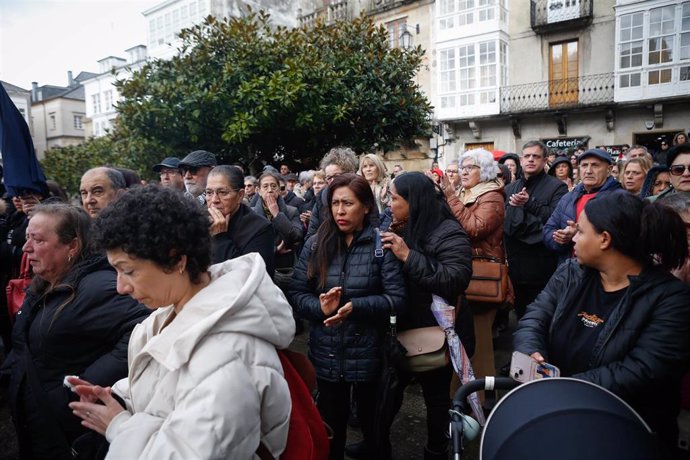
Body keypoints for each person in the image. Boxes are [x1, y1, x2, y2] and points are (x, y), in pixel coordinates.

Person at [69, 185, 295, 458]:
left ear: (177, 260)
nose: (120, 287)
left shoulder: (229, 357)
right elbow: (163, 390)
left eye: (128, 271)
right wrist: (116, 397)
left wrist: (118, 426)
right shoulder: (170, 312)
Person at [514, 192, 690, 456]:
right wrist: (531, 353)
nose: (573, 237)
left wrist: (560, 386)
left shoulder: (671, 299)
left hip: (624, 433)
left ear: (605, 239)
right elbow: (535, 317)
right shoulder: (570, 273)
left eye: (581, 231)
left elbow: (641, 371)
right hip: (559, 418)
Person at [1, 203, 148, 459]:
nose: (26, 249)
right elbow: (24, 346)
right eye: (26, 238)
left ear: (72, 246)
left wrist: (78, 388)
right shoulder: (45, 284)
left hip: (68, 432)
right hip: (40, 427)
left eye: (37, 240)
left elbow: (141, 332)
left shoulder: (98, 287)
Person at [289, 173, 406, 460]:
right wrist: (320, 308)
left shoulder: (382, 244)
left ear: (366, 206)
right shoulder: (317, 243)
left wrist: (356, 306)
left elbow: (397, 299)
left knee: (375, 432)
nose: (340, 211)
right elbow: (296, 292)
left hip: (370, 355)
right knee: (330, 434)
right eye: (335, 203)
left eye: (348, 203)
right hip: (327, 354)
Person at [381, 172, 474, 460]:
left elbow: (455, 278)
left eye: (395, 198)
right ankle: (377, 442)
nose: (389, 204)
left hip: (438, 331)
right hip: (404, 325)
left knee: (435, 397)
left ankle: (436, 450)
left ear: (415, 201)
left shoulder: (448, 231)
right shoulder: (401, 225)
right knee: (389, 390)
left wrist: (409, 256)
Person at [444, 149, 508, 398]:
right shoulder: (464, 193)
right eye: (463, 167)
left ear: (486, 171)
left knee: (479, 342)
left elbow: (474, 228)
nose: (464, 171)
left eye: (471, 167)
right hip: (463, 272)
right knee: (461, 338)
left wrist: (449, 195)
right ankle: (459, 394)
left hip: (480, 276)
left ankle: (478, 399)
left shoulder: (492, 196)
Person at [505, 141, 568, 319]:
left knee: (541, 318)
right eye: (527, 156)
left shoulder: (557, 187)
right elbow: (505, 223)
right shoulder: (510, 188)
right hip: (515, 267)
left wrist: (529, 204)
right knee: (520, 316)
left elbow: (555, 218)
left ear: (545, 160)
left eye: (536, 156)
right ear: (521, 160)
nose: (531, 160)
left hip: (541, 267)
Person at [543, 148, 627, 265]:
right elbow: (548, 230)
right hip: (569, 273)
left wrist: (580, 234)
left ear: (609, 170)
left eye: (595, 165)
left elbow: (623, 240)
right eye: (584, 165)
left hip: (602, 273)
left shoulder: (620, 199)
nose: (588, 171)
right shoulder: (568, 198)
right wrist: (561, 238)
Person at [206, 165, 275, 275]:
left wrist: (220, 238)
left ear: (240, 195)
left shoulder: (260, 228)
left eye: (223, 193)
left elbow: (251, 279)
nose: (214, 200)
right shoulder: (199, 221)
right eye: (209, 193)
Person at [250, 171, 303, 273]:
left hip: (284, 267)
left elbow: (296, 236)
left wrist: (277, 215)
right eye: (265, 186)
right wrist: (274, 250)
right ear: (259, 191)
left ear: (279, 190)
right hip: (258, 267)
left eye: (273, 186)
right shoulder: (251, 213)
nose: (270, 190)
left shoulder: (292, 211)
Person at [305, 147, 360, 240]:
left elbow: (373, 228)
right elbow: (310, 237)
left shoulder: (362, 194)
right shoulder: (320, 199)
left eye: (337, 176)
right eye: (329, 178)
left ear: (350, 174)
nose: (333, 181)